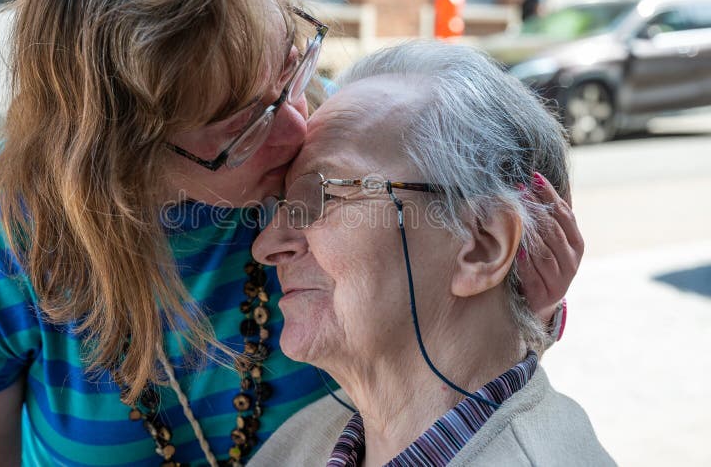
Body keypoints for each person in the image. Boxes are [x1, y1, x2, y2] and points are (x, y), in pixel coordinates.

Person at [0, 0, 581, 466]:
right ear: (123, 159)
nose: (298, 126)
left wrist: (524, 312)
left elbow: (448, 348)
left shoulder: (331, 148)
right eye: (240, 127)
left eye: (291, 65)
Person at [250, 41, 611, 466]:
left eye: (320, 196)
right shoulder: (299, 444)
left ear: (481, 246)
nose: (266, 247)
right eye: (283, 204)